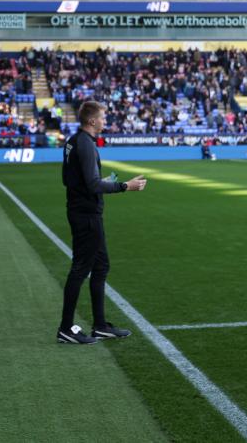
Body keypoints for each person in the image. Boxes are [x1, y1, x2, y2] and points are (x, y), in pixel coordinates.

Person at [57, 100, 146, 344]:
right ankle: (66, 328)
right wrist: (125, 186)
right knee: (80, 269)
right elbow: (92, 184)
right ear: (92, 120)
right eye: (103, 118)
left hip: (83, 211)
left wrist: (99, 182)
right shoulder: (85, 144)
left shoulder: (74, 141)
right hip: (86, 215)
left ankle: (100, 325)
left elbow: (70, 179)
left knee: (101, 266)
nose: (105, 122)